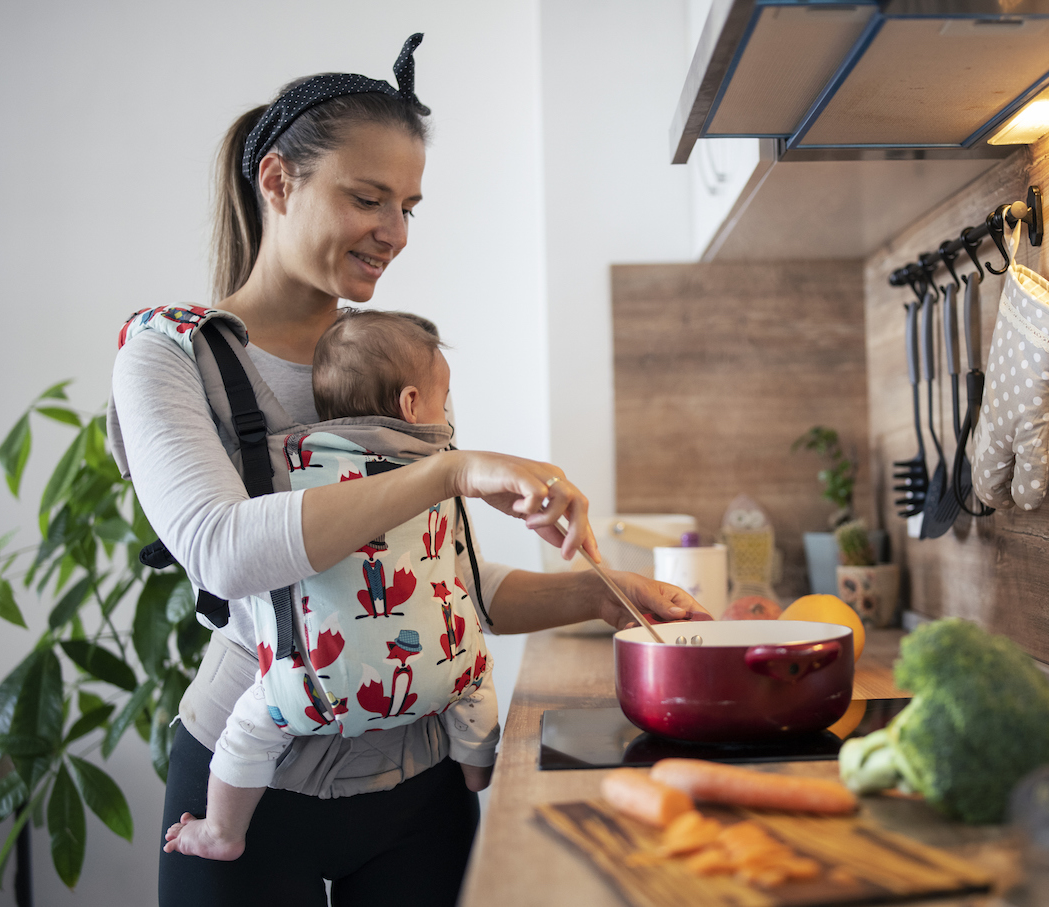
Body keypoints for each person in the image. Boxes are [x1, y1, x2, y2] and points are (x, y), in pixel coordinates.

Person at [107, 34, 710, 907]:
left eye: (409, 206)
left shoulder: (391, 356)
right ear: (277, 181)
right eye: (367, 198)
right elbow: (223, 551)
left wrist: (601, 594)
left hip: (421, 786)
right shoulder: (170, 352)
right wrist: (452, 470)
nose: (393, 232)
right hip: (246, 784)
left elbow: (435, 583)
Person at [161, 309, 500, 862]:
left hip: (312, 682)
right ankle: (476, 771)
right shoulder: (438, 462)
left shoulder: (287, 465)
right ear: (411, 405)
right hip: (442, 672)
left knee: (248, 728)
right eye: (443, 398)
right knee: (476, 682)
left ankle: (222, 831)